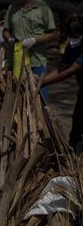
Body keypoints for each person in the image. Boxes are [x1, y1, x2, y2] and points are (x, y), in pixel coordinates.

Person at [2, 0, 57, 97]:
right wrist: (10, 40)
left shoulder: (42, 7)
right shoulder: (13, 7)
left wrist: (34, 40)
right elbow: (5, 31)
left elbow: (53, 33)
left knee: (38, 101)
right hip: (15, 61)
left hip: (36, 62)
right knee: (16, 99)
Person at [43, 17, 83, 149]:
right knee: (77, 126)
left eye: (76, 36)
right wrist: (41, 80)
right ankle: (74, 151)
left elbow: (71, 70)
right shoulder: (72, 46)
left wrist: (42, 83)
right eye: (71, 36)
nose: (73, 39)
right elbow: (62, 68)